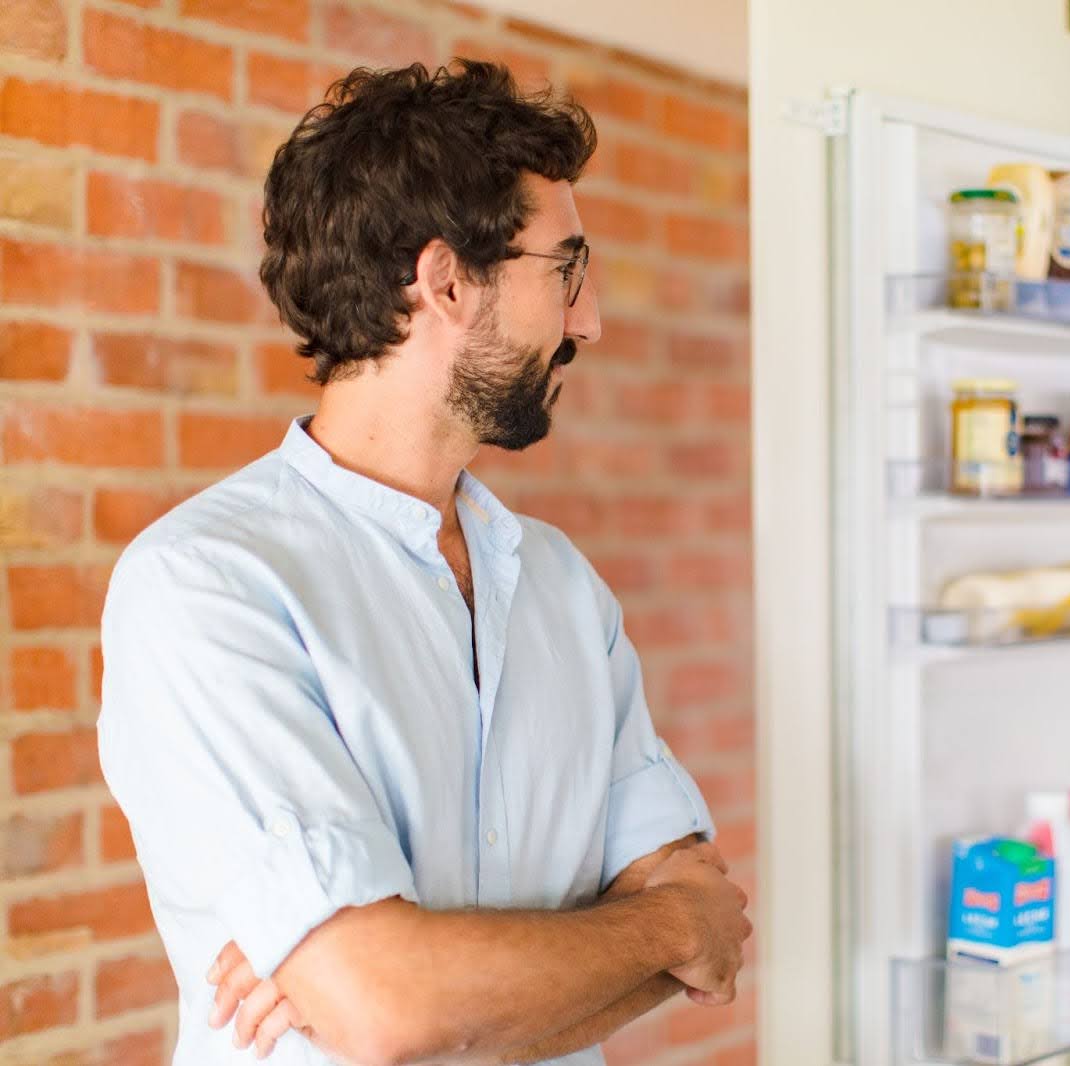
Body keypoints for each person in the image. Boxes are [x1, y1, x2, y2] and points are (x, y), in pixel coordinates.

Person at [97, 60, 751, 1065]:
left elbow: (712, 925)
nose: (589, 321)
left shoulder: (564, 588)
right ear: (446, 280)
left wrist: (439, 990)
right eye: (564, 271)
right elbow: (386, 1008)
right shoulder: (206, 585)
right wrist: (656, 935)